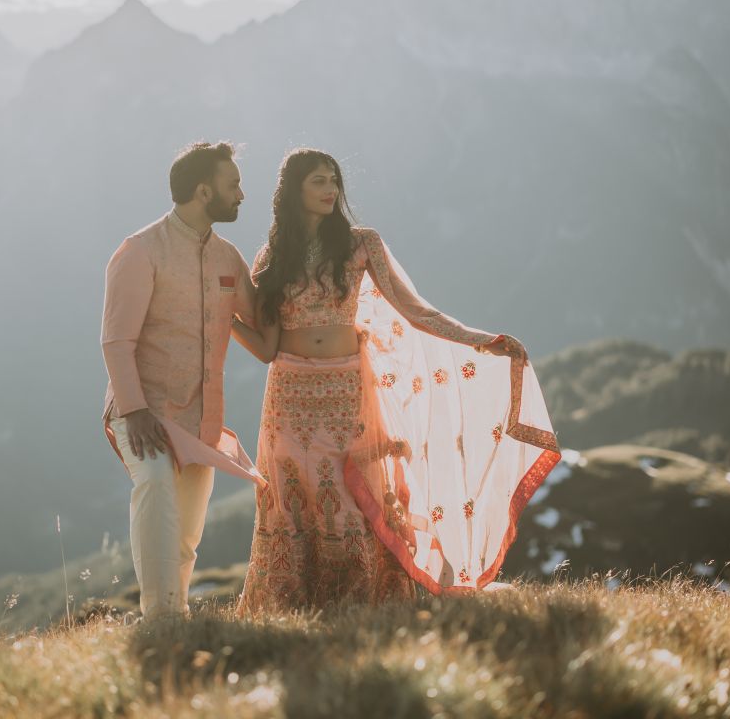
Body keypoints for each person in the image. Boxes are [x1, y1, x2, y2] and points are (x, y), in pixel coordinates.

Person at [229, 148, 561, 615]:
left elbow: (414, 309)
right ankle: (292, 606)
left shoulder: (361, 243)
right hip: (288, 396)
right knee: (292, 501)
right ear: (293, 190)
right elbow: (266, 348)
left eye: (333, 181)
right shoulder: (272, 256)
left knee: (349, 497)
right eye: (318, 182)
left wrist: (481, 341)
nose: (330, 191)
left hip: (348, 392)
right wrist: (224, 318)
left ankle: (357, 602)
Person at [100, 140, 259, 618]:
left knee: (187, 534)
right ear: (204, 191)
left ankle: (177, 617)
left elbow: (265, 321)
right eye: (234, 185)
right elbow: (116, 342)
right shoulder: (140, 251)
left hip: (200, 421)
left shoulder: (228, 257)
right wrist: (136, 411)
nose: (242, 195)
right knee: (156, 491)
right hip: (142, 415)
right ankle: (162, 621)